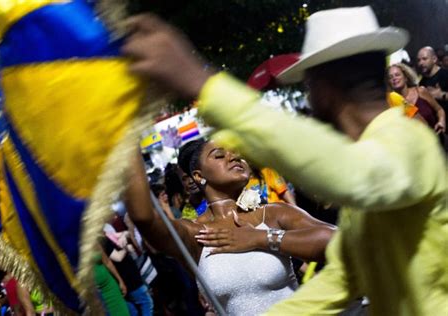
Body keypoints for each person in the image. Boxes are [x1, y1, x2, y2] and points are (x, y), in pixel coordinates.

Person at [121, 5, 447, 316]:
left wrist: (201, 83)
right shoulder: (380, 153)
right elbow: (341, 278)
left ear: (322, 87)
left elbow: (353, 176)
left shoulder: (406, 142)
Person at [125, 138, 335, 315]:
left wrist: (259, 238)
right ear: (198, 176)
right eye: (219, 155)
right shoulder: (195, 233)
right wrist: (126, 139)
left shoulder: (271, 213)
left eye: (236, 153)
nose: (234, 157)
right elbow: (145, 218)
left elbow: (335, 240)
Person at [387, 63, 446, 133]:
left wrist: (441, 122)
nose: (394, 78)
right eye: (390, 77)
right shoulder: (390, 103)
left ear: (405, 78)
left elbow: (439, 109)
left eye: (397, 75)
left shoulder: (421, 91)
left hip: (438, 137)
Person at [417, 46, 448, 123]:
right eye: (419, 60)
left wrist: (442, 95)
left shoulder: (446, 74)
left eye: (424, 59)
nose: (421, 63)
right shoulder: (422, 82)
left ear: (434, 59)